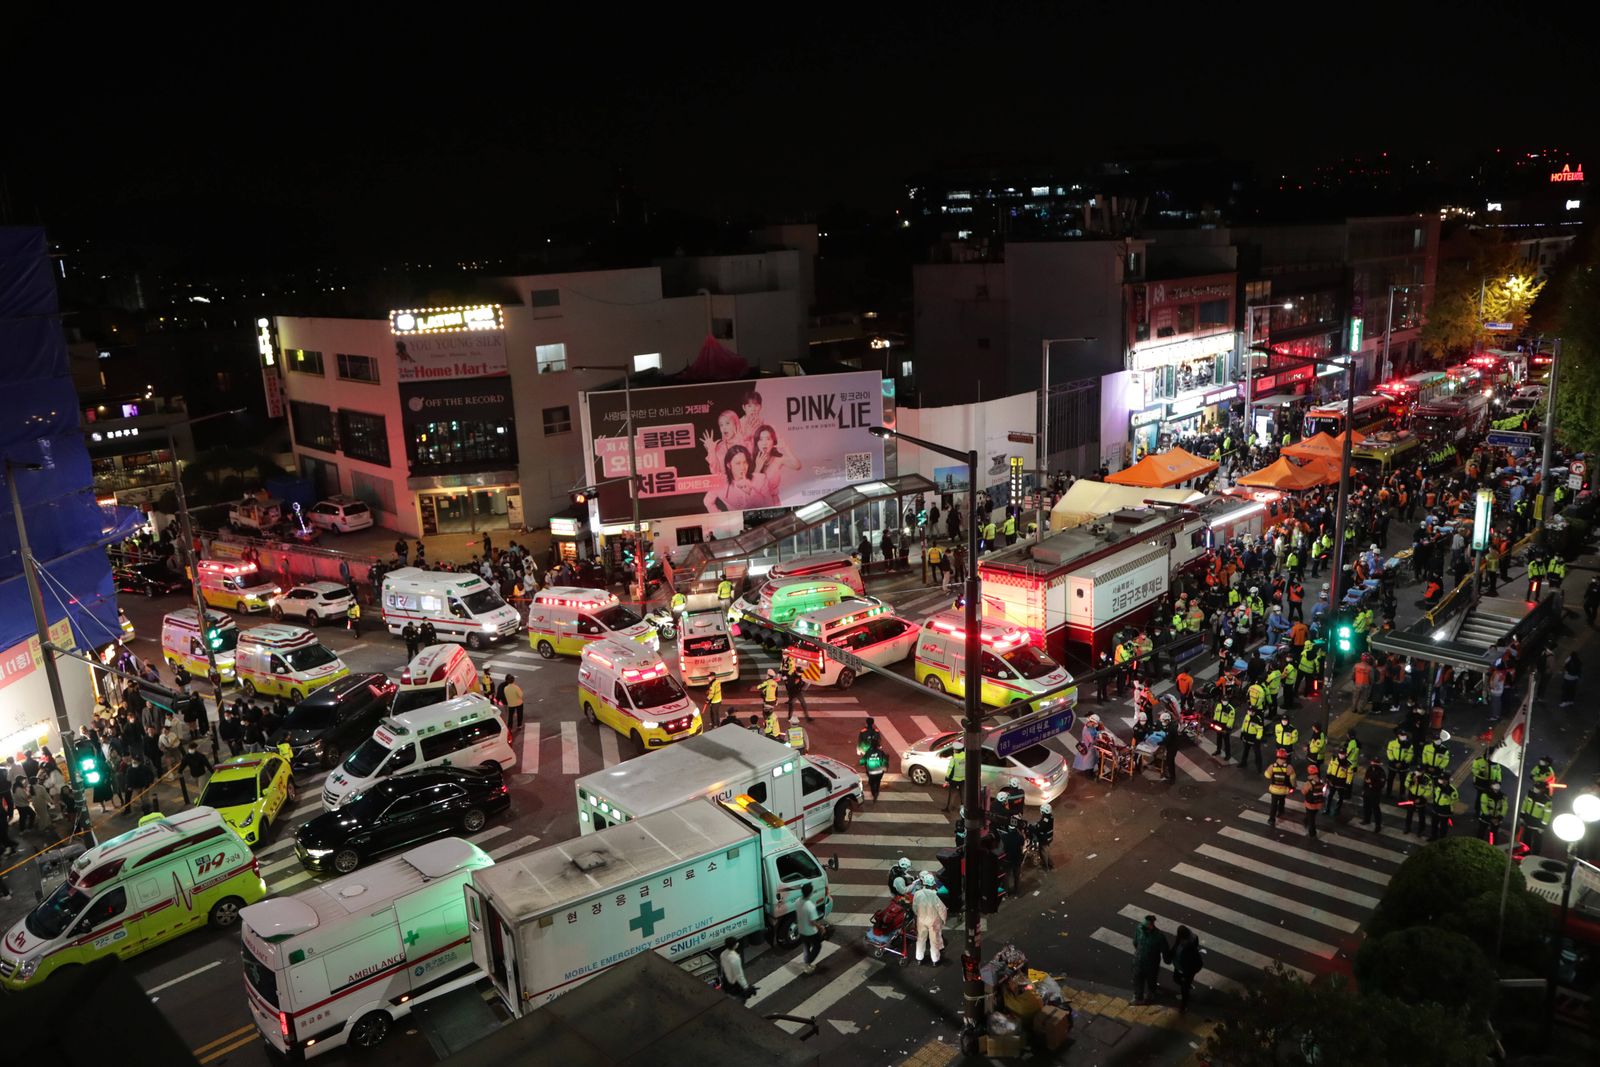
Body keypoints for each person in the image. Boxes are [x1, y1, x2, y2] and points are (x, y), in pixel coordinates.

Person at [912, 871, 948, 966]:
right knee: (934, 941)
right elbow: (942, 909)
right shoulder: (936, 895)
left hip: (921, 920)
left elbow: (914, 907)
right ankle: (935, 960)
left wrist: (918, 915)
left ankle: (919, 958)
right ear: (933, 884)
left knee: (920, 939)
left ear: (924, 883)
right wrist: (944, 919)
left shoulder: (917, 893)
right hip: (934, 921)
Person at [1167, 925, 1204, 1013]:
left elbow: (1193, 959)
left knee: (1184, 989)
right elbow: (1175, 947)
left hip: (1187, 970)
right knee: (1176, 979)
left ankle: (1183, 1007)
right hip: (1180, 967)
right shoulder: (1181, 940)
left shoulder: (1190, 947)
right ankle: (1187, 985)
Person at [1131, 915, 1167, 1005]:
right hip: (1139, 961)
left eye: (1145, 927)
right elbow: (1135, 942)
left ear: (1151, 925)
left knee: (1151, 980)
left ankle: (1151, 995)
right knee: (1137, 979)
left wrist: (1167, 959)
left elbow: (1165, 950)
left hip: (1152, 964)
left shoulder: (1159, 936)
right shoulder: (1139, 928)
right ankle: (1138, 997)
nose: (1142, 928)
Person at [796, 882, 823, 975]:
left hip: (801, 929)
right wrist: (821, 927)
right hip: (810, 932)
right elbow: (812, 922)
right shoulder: (810, 906)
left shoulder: (798, 901)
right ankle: (807, 963)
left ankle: (806, 961)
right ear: (810, 893)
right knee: (817, 946)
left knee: (806, 946)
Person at [1265, 748, 1296, 827]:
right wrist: (1293, 786)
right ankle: (1281, 811)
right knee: (1282, 800)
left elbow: (1267, 775)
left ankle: (1272, 820)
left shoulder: (1272, 766)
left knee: (1273, 805)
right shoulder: (1289, 767)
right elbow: (1292, 779)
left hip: (1274, 790)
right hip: (1284, 790)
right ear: (1285, 757)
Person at [1361, 758, 1387, 831]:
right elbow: (1365, 779)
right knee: (1366, 806)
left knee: (1376, 809)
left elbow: (1381, 784)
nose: (1374, 764)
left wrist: (1371, 783)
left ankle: (1378, 826)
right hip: (1367, 791)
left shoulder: (1381, 773)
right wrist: (1363, 789)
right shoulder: (1369, 769)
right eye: (1373, 762)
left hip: (1375, 793)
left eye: (1376, 763)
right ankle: (1367, 820)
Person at [1302, 764, 1326, 837]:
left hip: (1310, 804)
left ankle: (1312, 833)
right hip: (1318, 804)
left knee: (1311, 819)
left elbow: (1303, 791)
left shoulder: (1309, 783)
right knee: (1312, 815)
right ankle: (1306, 821)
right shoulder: (1321, 781)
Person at [1210, 693, 1235, 761]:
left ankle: (1228, 755)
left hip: (1225, 726)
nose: (1224, 701)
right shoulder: (1218, 706)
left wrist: (1227, 729)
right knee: (1218, 739)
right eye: (1223, 700)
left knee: (1226, 741)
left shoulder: (1230, 709)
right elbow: (1216, 714)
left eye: (1226, 700)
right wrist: (1214, 722)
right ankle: (1218, 750)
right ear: (1221, 700)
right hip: (1219, 724)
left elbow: (1231, 720)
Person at [943, 746, 966, 812]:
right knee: (962, 794)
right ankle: (963, 809)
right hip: (963, 778)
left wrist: (947, 779)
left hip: (954, 779)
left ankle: (948, 808)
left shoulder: (954, 758)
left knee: (952, 794)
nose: (953, 750)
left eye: (954, 749)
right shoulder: (965, 755)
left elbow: (950, 769)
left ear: (956, 750)